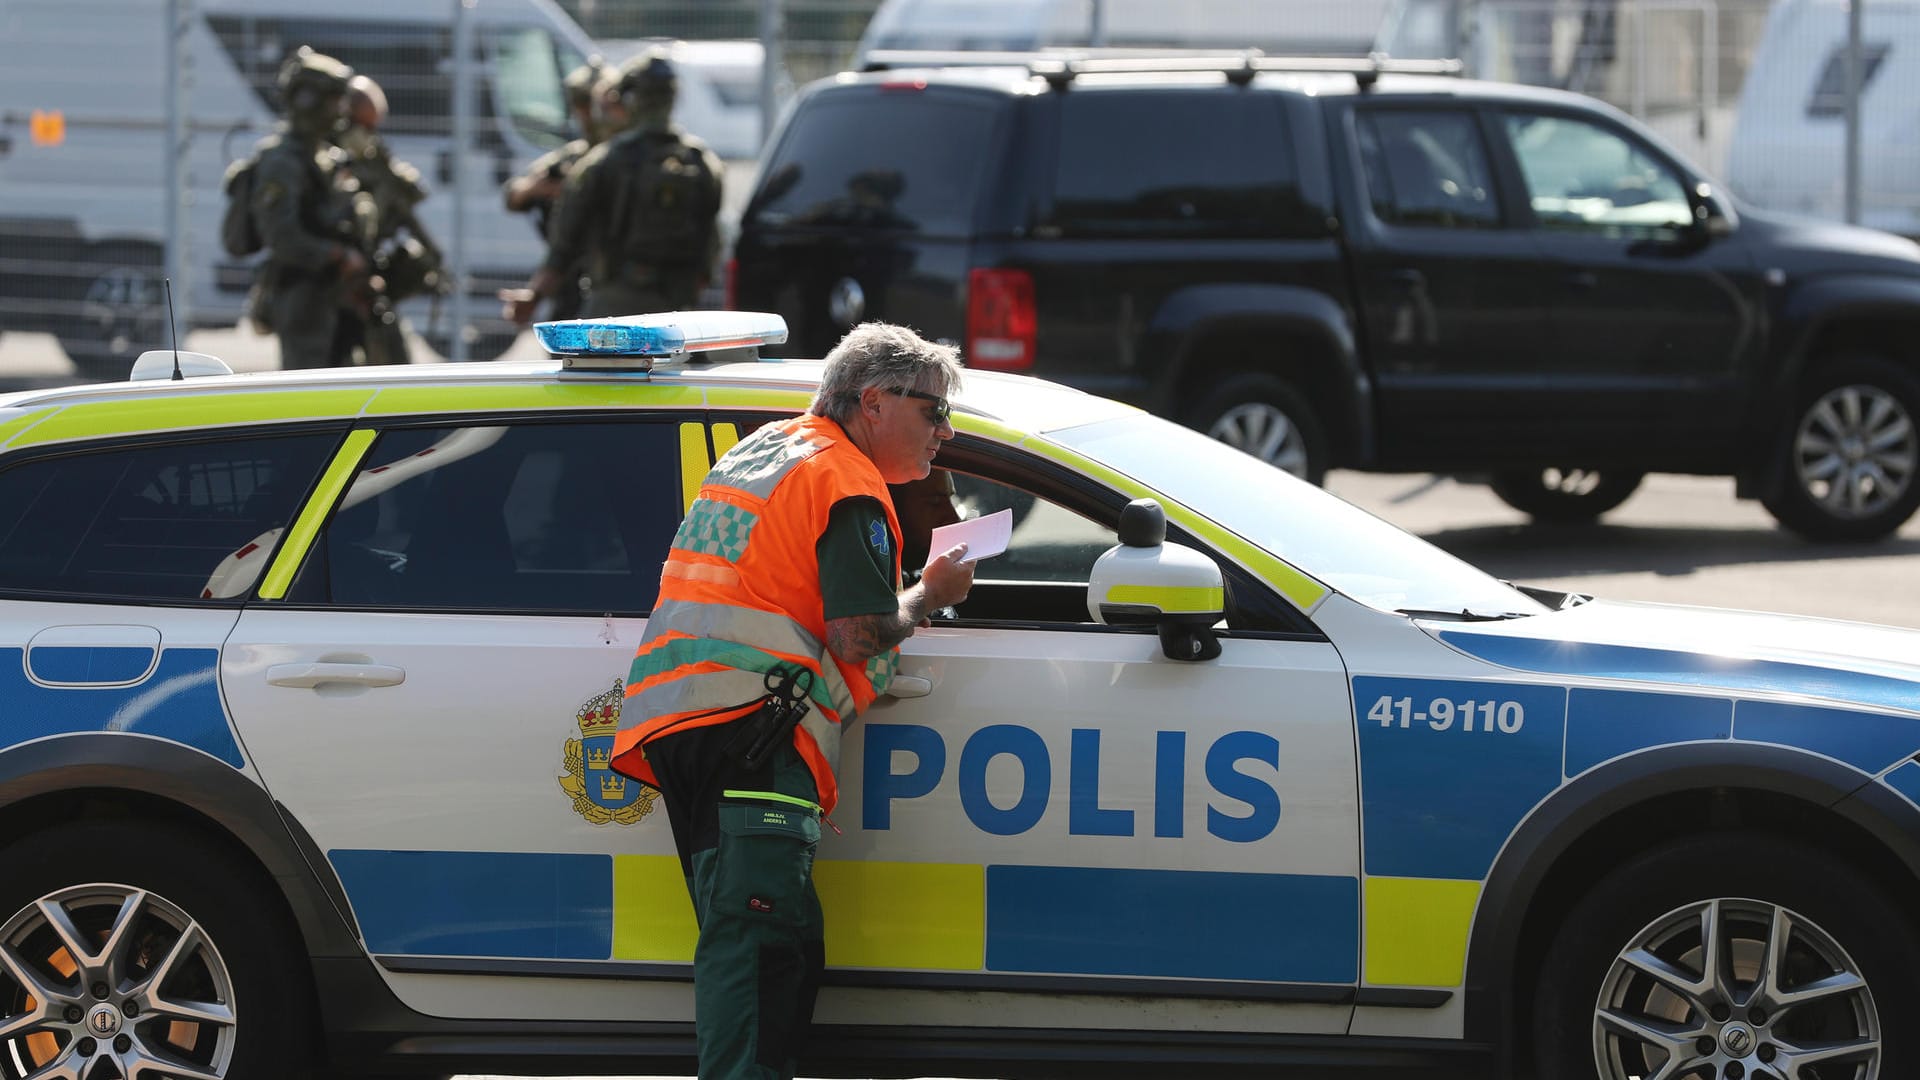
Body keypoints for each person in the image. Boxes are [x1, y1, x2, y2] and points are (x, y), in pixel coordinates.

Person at [608, 323, 975, 1080]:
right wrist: (930, 595)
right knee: (759, 953)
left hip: (694, 723)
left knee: (786, 943)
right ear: (873, 401)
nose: (945, 430)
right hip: (755, 733)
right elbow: (859, 633)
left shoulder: (770, 447)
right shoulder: (845, 481)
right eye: (933, 411)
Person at [501, 48, 723, 324]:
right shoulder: (703, 163)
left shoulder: (602, 163)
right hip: (678, 312)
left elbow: (565, 245)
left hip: (612, 310)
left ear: (629, 101)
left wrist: (534, 296)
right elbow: (711, 246)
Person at [248, 47, 370, 369]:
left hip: (332, 296)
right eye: (333, 100)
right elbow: (282, 236)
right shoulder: (282, 162)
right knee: (308, 401)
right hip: (303, 300)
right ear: (308, 101)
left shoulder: (324, 156)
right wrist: (339, 256)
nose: (340, 110)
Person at [336, 73, 442, 365]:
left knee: (392, 361)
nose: (368, 134)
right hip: (332, 294)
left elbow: (404, 203)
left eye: (373, 127)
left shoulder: (375, 161)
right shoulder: (327, 161)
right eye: (363, 126)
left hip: (368, 288)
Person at [502, 58, 606, 321]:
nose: (585, 115)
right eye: (580, 106)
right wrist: (542, 189)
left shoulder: (621, 159)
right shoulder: (572, 158)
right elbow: (514, 194)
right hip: (568, 283)